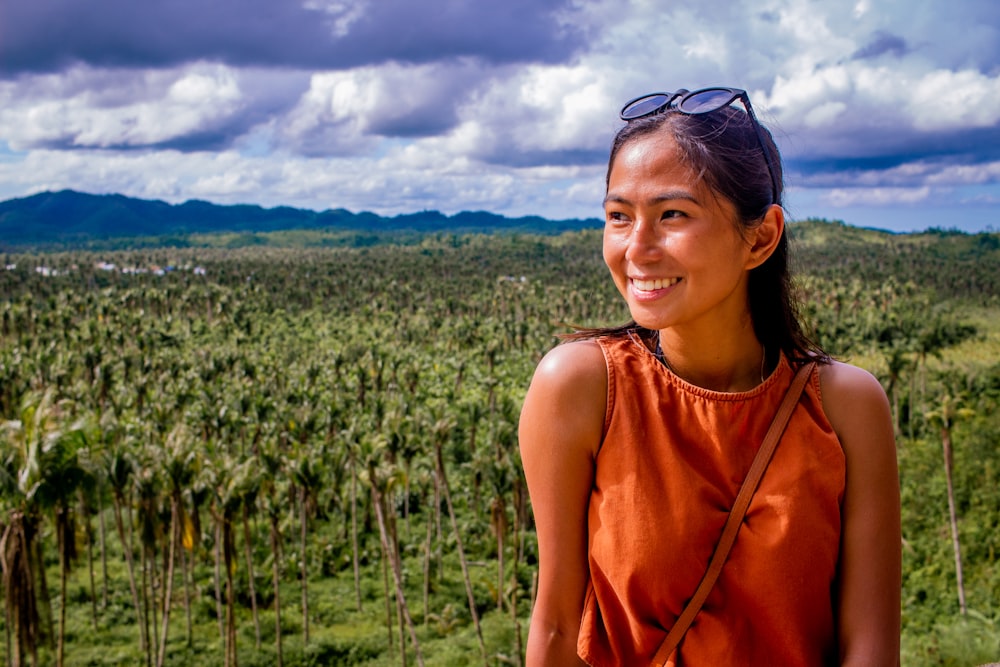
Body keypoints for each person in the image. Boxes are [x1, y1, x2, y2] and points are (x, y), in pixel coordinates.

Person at [518, 87, 901, 666]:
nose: (636, 249)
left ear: (761, 236)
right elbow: (553, 631)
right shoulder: (581, 387)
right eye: (619, 217)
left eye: (672, 214)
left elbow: (870, 649)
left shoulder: (845, 408)